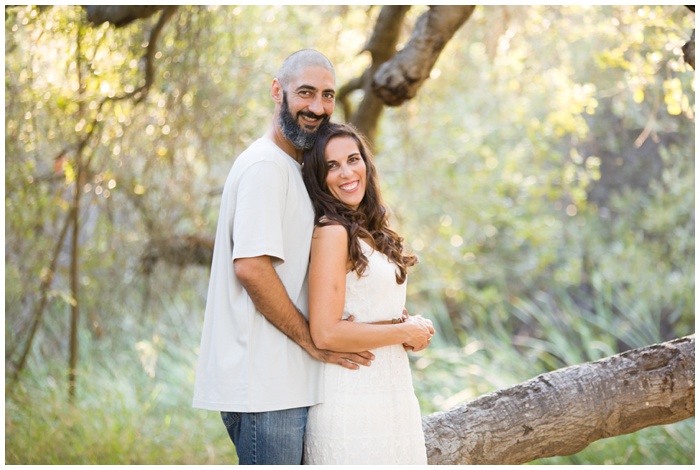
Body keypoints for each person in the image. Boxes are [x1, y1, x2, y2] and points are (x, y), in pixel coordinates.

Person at [192, 50, 376, 465]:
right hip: (265, 388)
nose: (317, 107)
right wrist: (314, 338)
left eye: (327, 95)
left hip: (285, 382)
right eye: (306, 93)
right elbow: (252, 268)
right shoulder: (265, 168)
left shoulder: (295, 169)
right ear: (278, 91)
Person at [301, 122, 434, 464]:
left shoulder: (368, 229)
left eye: (353, 159)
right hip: (352, 398)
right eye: (332, 166)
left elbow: (370, 308)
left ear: (366, 164)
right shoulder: (331, 232)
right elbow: (326, 331)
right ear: (319, 177)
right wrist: (402, 331)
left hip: (391, 394)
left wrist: (408, 329)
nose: (346, 172)